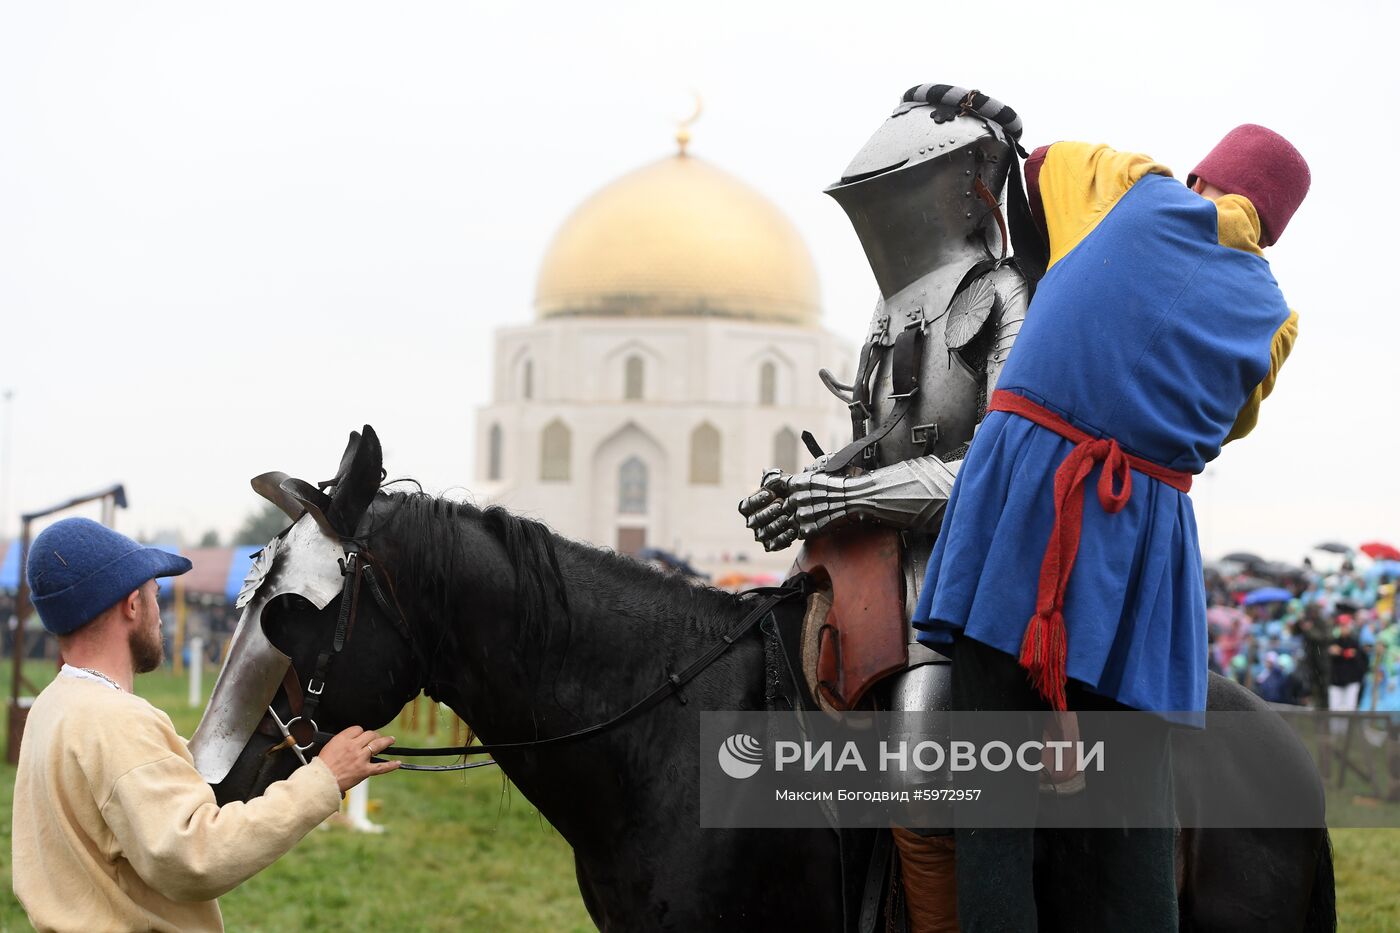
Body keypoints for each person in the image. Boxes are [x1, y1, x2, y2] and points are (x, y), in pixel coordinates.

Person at [912, 124, 1309, 931]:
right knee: (1135, 818)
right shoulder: (1277, 320)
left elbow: (1041, 164)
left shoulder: (1125, 182)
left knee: (995, 810)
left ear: (1203, 173)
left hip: (1019, 501)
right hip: (1138, 550)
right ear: (1273, 229)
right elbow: (1229, 424)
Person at [11, 517, 400, 933]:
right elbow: (196, 856)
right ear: (131, 604)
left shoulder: (54, 704)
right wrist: (325, 779)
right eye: (155, 595)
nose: (160, 616)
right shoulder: (115, 722)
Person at [1328, 613, 1369, 712]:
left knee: (1349, 709)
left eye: (1345, 625)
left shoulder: (1356, 642)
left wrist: (1346, 653)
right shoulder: (1333, 642)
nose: (1343, 628)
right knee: (1334, 710)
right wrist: (1330, 653)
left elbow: (1362, 660)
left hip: (1352, 680)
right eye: (1341, 625)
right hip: (1336, 680)